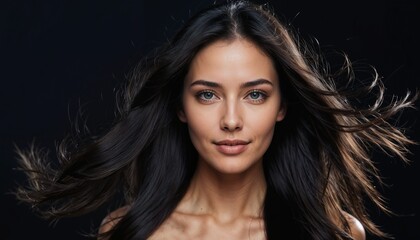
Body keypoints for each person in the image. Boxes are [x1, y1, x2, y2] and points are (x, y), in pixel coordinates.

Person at [15, 1, 417, 239]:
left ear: (282, 106)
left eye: (254, 95)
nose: (231, 120)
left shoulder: (335, 234)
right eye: (207, 94)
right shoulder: (128, 231)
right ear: (179, 106)